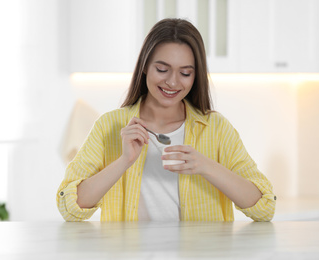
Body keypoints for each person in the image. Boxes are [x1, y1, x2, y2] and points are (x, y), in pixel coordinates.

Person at [57, 18, 276, 221]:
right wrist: (124, 160)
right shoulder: (110, 126)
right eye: (162, 69)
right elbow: (69, 207)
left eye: (185, 73)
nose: (172, 82)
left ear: (196, 75)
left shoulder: (216, 128)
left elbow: (265, 207)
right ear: (144, 66)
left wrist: (207, 166)